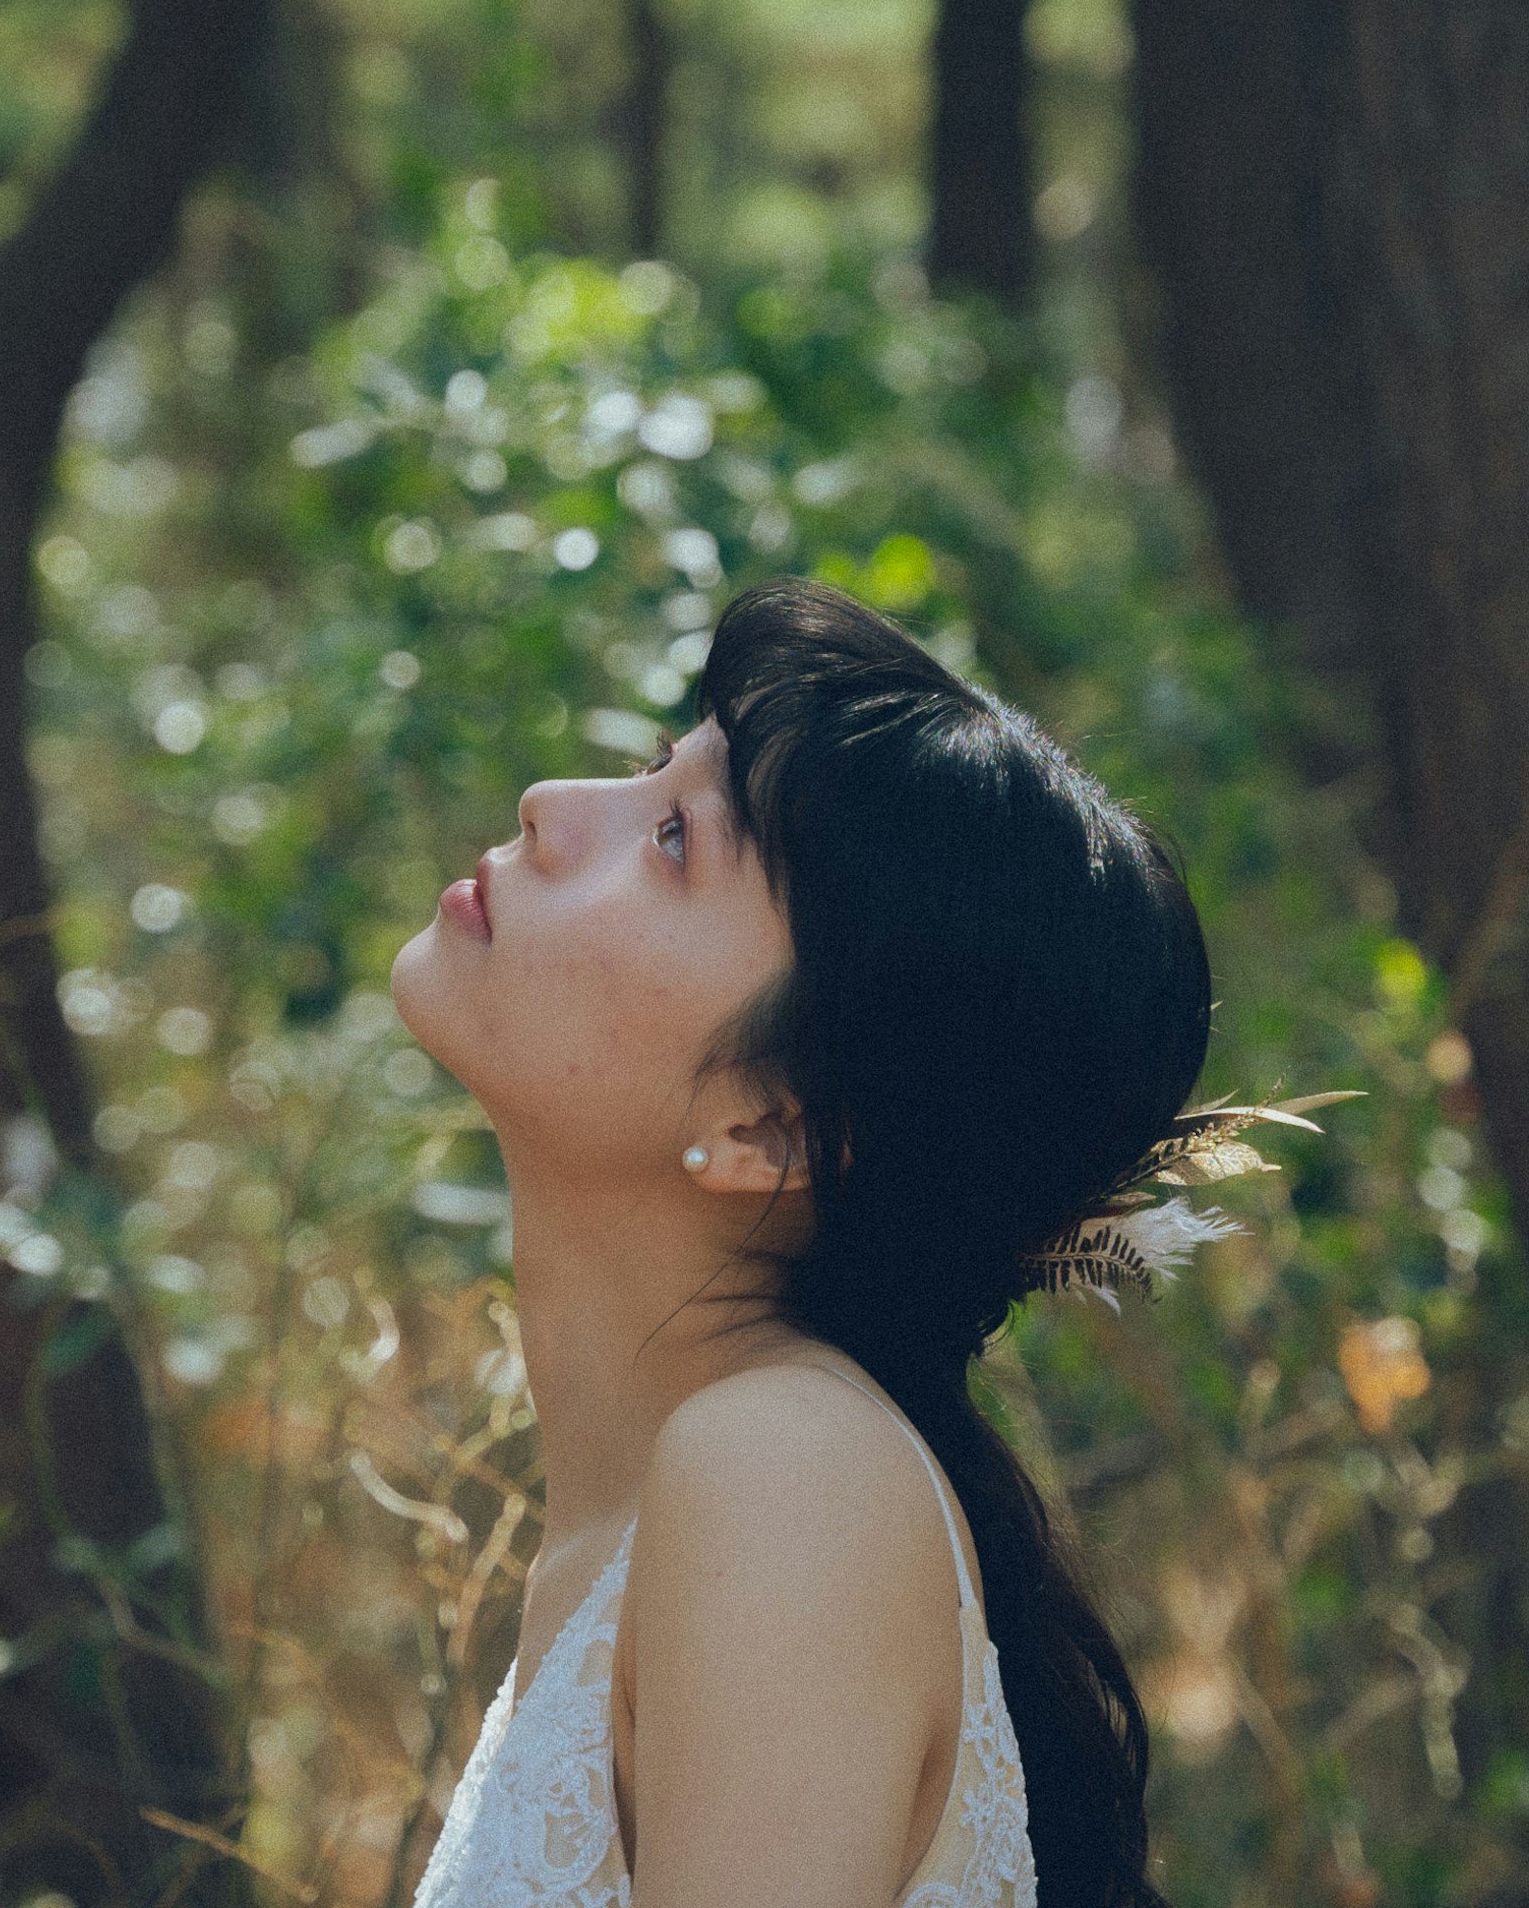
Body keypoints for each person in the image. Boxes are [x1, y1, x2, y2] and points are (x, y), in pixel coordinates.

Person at [388, 576, 1248, 1908]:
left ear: (777, 1128)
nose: (553, 807)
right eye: (644, 773)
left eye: (673, 837)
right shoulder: (651, 1520)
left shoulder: (785, 1470)